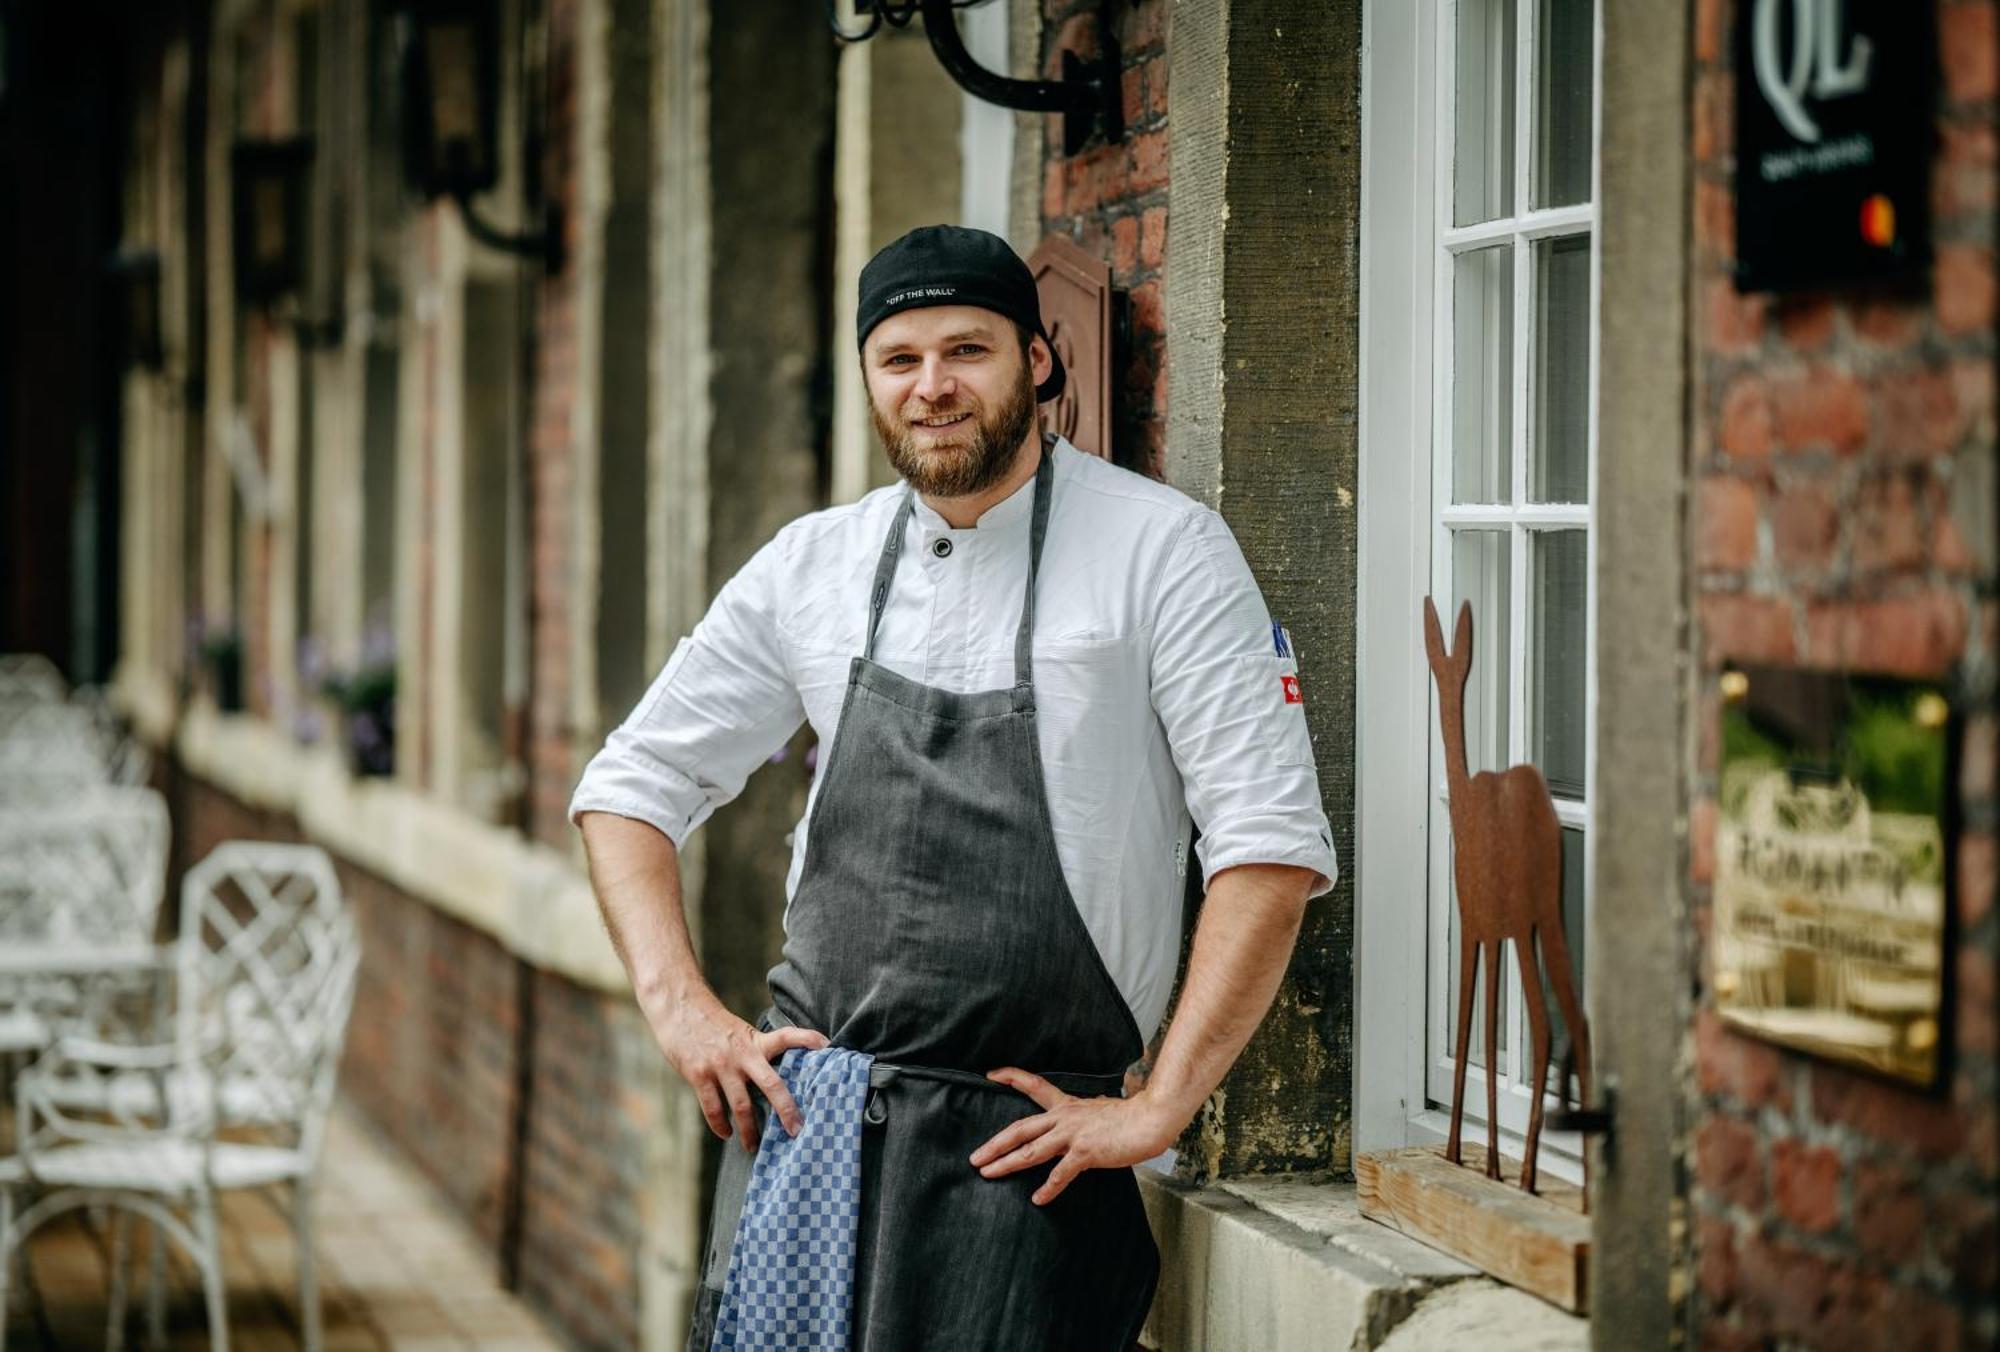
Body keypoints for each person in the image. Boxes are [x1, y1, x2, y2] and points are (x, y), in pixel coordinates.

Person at [571, 224, 1338, 1351]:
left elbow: (1266, 847)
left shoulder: (1163, 552)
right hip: (810, 1132)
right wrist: (682, 1010)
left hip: (1024, 1164)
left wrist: (1161, 1102)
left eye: (965, 350)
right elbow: (631, 782)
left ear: (1033, 358)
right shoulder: (811, 565)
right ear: (871, 380)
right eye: (899, 359)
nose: (932, 387)